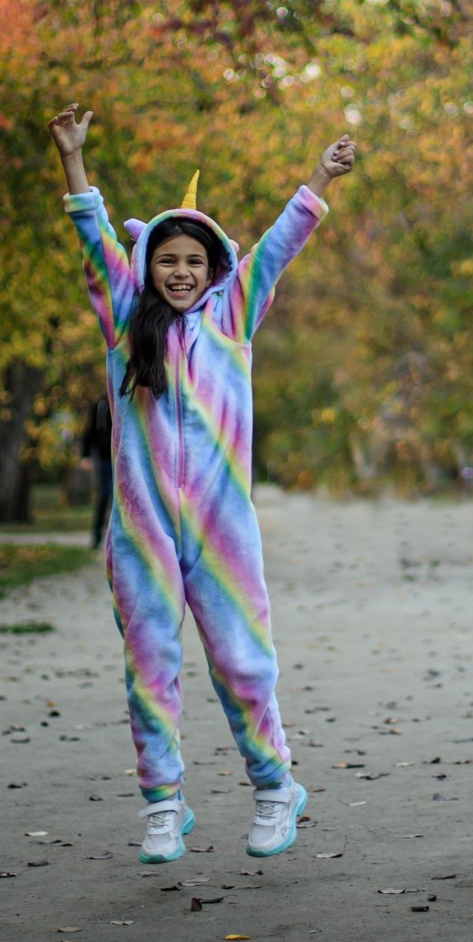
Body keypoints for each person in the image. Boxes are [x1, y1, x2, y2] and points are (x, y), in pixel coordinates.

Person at [49, 102, 356, 865]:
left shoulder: (233, 316)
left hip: (221, 528)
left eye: (193, 261)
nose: (179, 273)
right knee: (149, 665)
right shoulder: (125, 319)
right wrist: (73, 164)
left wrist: (320, 177)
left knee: (241, 662)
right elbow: (94, 242)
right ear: (148, 266)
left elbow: (282, 244)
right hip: (142, 529)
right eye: (166, 260)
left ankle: (275, 785)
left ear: (213, 267)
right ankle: (162, 804)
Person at [80, 396, 113, 548]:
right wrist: (85, 454)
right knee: (104, 495)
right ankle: (97, 535)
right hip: (105, 458)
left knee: (120, 499)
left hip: (124, 457)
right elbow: (90, 430)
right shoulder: (101, 405)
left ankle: (116, 538)